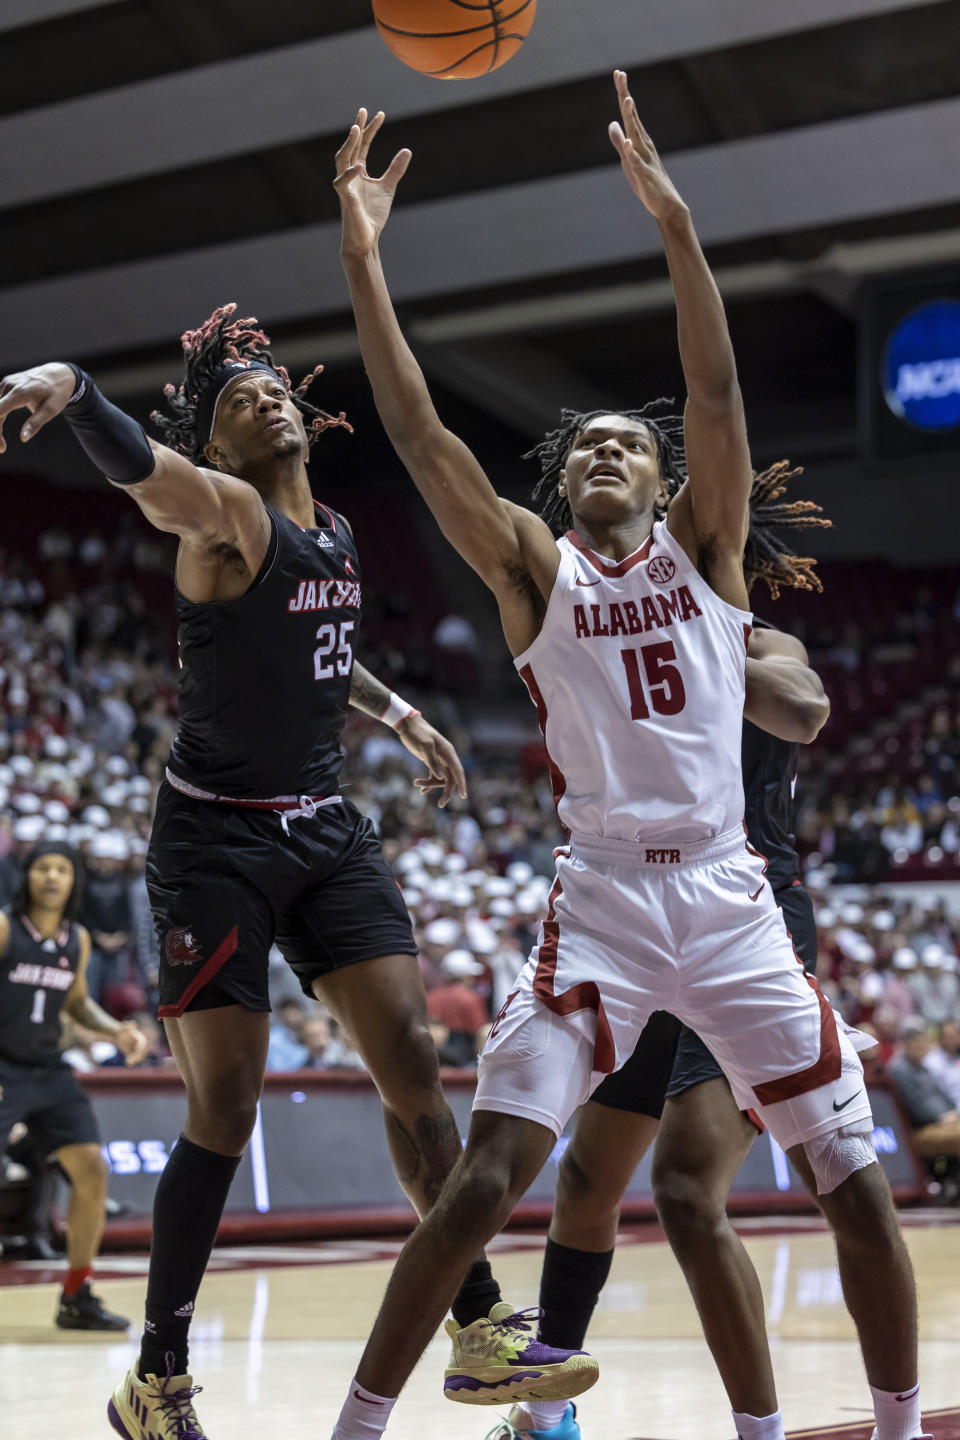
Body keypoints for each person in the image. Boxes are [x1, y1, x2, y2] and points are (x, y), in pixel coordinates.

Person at [328, 72, 924, 1440]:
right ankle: (361, 1426)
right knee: (489, 1180)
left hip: (728, 898)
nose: (602, 452)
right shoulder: (536, 573)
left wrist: (679, 229)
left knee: (851, 1174)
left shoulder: (712, 560)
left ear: (663, 484)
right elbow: (421, 437)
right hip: (598, 899)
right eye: (581, 446)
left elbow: (712, 387)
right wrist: (363, 262)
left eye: (623, 446)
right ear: (562, 486)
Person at [0, 311, 549, 1439]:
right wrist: (82, 392)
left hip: (325, 828)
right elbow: (155, 483)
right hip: (215, 845)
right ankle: (156, 1377)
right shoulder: (227, 511)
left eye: (272, 387)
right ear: (220, 444)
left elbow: (323, 648)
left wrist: (399, 714)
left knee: (410, 1063)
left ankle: (483, 1321)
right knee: (227, 1104)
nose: (264, 399)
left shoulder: (338, 534)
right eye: (235, 399)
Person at [490, 463, 835, 1440]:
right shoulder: (600, 615)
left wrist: (697, 631)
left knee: (686, 1188)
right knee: (588, 1181)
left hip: (745, 922)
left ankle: (760, 1427)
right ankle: (545, 1413)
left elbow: (803, 711)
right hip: (636, 917)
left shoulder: (762, 635)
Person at [0, 841, 148, 1327]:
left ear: (73, 880)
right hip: (4, 1067)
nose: (51, 877)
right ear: (28, 878)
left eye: (61, 869)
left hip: (48, 1069)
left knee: (90, 1170)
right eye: (42, 867)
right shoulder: (4, 928)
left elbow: (78, 1002)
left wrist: (116, 1030)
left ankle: (76, 1295)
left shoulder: (76, 940)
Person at [889, 1018, 960, 1156]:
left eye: (923, 1043)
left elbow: (941, 1093)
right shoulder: (900, 1070)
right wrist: (939, 1118)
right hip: (925, 1125)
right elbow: (914, 1105)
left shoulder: (923, 1066)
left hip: (945, 1119)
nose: (921, 1047)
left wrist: (954, 1111)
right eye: (917, 1043)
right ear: (907, 1045)